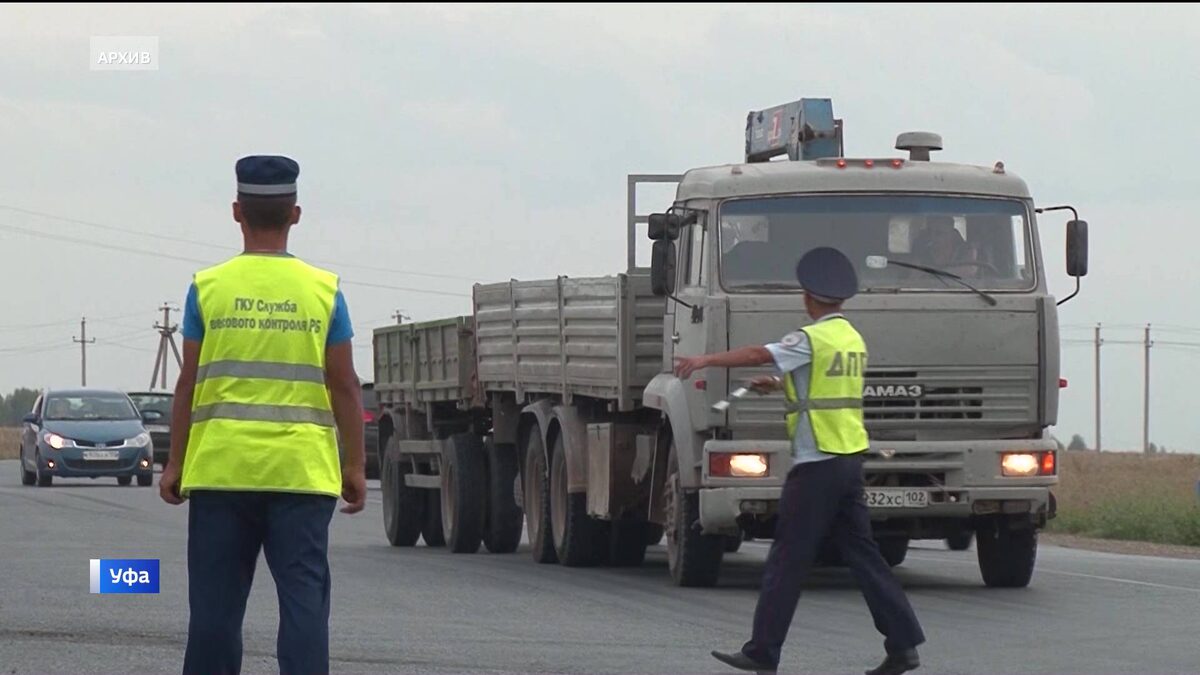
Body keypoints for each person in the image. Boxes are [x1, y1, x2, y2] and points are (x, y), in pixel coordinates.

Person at [159, 155, 368, 675]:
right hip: (300, 477)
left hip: (222, 472)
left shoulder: (207, 289)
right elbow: (344, 383)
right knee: (303, 607)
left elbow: (187, 381)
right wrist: (356, 466)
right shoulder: (323, 291)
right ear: (295, 214)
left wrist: (173, 462)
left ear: (237, 212)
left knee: (213, 612)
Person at [673, 247, 925, 675]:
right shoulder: (851, 338)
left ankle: (762, 652)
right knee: (864, 556)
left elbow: (757, 354)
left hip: (816, 465)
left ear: (809, 297)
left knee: (788, 557)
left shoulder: (810, 337)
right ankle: (903, 644)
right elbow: (822, 388)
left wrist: (704, 359)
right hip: (848, 461)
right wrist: (778, 386)